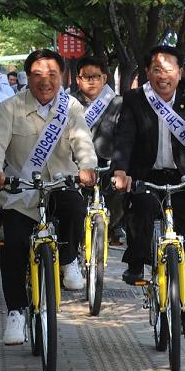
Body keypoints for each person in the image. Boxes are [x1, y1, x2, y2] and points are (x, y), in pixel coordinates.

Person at [0, 50, 97, 346]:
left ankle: (69, 260)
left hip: (60, 184)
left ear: (62, 77)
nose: (45, 81)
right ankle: (16, 313)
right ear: (27, 77)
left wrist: (87, 167)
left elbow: (82, 141)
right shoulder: (10, 108)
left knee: (75, 205)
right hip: (20, 192)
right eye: (37, 75)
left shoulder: (70, 107)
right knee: (15, 246)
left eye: (52, 75)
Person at [112, 44, 185, 340]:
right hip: (146, 175)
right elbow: (125, 136)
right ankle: (139, 262)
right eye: (157, 70)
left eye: (169, 69)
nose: (163, 75)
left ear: (180, 73)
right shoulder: (136, 98)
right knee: (141, 214)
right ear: (148, 73)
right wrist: (121, 171)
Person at [72, 57, 126, 244]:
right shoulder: (68, 102)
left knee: (121, 185)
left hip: (108, 162)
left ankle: (114, 225)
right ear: (78, 79)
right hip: (76, 163)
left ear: (105, 78)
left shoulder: (118, 102)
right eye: (86, 77)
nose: (91, 80)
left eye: (96, 76)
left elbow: (123, 136)